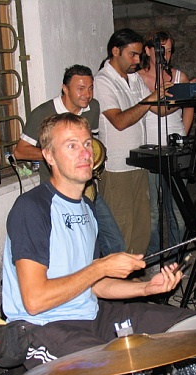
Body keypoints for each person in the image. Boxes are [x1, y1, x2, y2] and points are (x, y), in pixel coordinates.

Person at [2, 113, 196, 375]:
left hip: (92, 313)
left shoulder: (86, 210)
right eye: (71, 146)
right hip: (43, 327)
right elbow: (35, 300)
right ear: (49, 156)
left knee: (189, 328)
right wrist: (101, 266)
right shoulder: (32, 208)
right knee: (128, 374)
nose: (85, 153)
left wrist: (146, 287)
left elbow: (95, 286)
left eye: (87, 143)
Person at [14, 64, 124, 256]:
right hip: (57, 193)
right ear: (65, 88)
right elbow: (20, 152)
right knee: (72, 250)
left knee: (114, 243)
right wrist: (61, 154)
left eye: (90, 88)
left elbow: (92, 143)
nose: (87, 94)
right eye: (81, 88)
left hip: (87, 189)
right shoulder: (43, 113)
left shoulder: (93, 107)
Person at [94, 28, 178, 255]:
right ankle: (120, 274)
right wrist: (150, 98)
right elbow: (120, 121)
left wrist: (188, 98)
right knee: (121, 229)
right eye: (132, 54)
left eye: (139, 55)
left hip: (139, 163)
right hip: (117, 168)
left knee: (142, 227)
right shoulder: (103, 81)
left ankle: (136, 271)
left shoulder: (134, 78)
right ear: (115, 51)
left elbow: (157, 110)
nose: (137, 61)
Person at [138, 30, 194, 263]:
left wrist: (182, 136)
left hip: (175, 149)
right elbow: (156, 109)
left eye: (169, 51)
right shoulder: (137, 78)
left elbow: (189, 108)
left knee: (178, 211)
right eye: (161, 50)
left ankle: (176, 257)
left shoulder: (180, 76)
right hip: (149, 149)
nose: (166, 55)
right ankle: (153, 259)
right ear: (148, 50)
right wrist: (174, 95)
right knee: (152, 212)